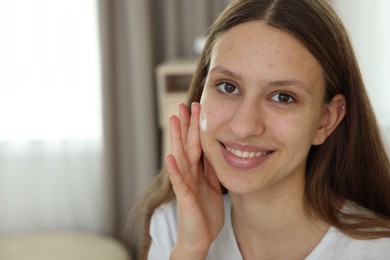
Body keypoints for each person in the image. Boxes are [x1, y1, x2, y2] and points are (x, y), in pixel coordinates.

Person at [125, 0, 390, 259]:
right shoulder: (174, 228)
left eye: (282, 97)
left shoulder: (379, 250)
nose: (243, 126)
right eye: (228, 87)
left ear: (326, 119)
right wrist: (192, 251)